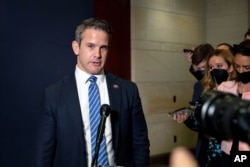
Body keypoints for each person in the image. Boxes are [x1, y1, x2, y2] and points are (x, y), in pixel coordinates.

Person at [34, 18, 150, 167]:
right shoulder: (54, 95)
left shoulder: (128, 90)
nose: (98, 54)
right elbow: (44, 151)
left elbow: (140, 143)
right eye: (91, 46)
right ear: (76, 47)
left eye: (103, 47)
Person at [173, 47, 237, 167]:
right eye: (211, 68)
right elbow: (200, 124)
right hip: (207, 152)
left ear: (231, 67)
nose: (214, 70)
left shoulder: (240, 90)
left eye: (219, 66)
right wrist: (187, 118)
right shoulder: (207, 91)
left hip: (230, 152)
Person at [218, 39, 250, 160]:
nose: (241, 71)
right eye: (237, 66)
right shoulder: (225, 87)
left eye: (247, 67)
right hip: (227, 151)